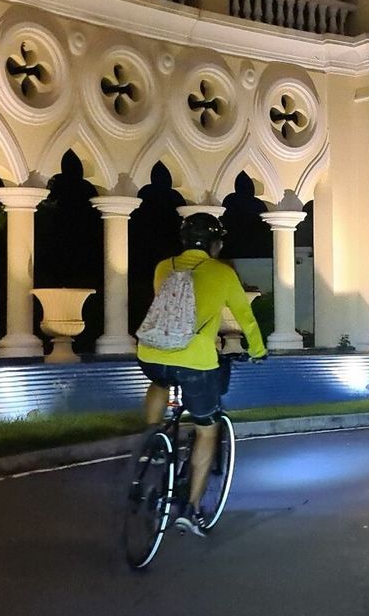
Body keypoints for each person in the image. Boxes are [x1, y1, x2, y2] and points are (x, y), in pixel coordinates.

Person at [136, 213, 267, 534]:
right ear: (215, 244)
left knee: (159, 381)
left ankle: (151, 441)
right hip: (195, 361)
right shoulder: (222, 273)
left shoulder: (163, 267)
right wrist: (258, 350)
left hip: (151, 353)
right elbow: (245, 317)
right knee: (207, 429)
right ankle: (191, 509)